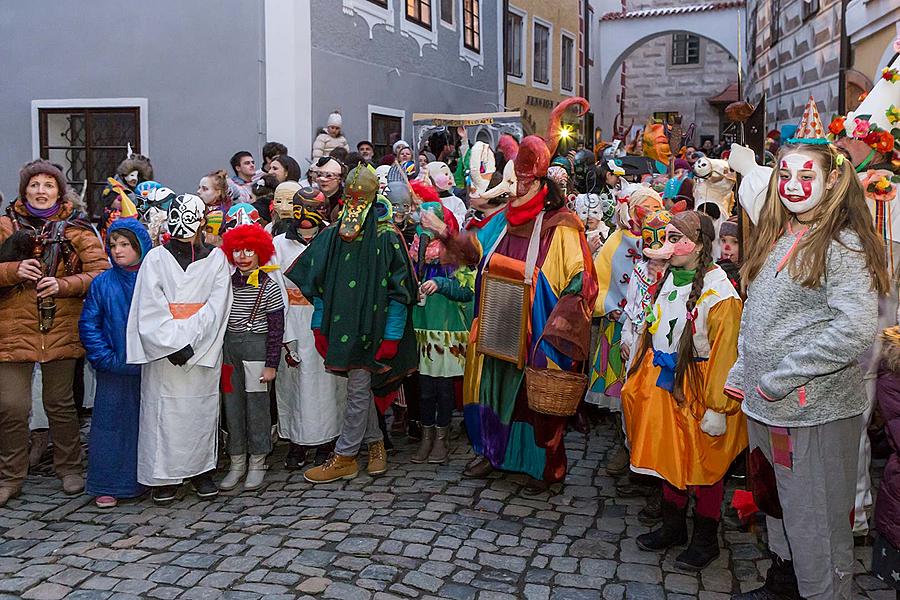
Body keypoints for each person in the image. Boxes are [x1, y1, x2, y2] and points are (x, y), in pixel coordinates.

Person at [727, 98, 889, 600]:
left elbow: (855, 328)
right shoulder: (784, 234)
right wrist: (743, 369)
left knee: (814, 519)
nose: (792, 184)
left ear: (833, 181)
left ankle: (820, 592)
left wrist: (783, 376)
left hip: (809, 411)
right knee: (777, 504)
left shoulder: (843, 244)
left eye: (806, 174)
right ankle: (785, 583)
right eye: (784, 173)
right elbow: (763, 314)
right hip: (768, 406)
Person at [440, 97, 598, 496]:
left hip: (535, 332)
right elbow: (475, 249)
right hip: (496, 326)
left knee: (533, 401)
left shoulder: (562, 225)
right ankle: (492, 452)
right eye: (512, 182)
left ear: (539, 185)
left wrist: (557, 323)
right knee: (491, 389)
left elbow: (582, 279)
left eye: (521, 184)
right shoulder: (502, 220)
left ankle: (544, 467)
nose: (512, 191)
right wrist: (445, 235)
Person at [621, 211, 745, 571]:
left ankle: (705, 539)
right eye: (666, 237)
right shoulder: (669, 278)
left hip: (701, 388)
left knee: (704, 464)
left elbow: (726, 350)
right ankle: (673, 526)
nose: (668, 246)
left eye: (677, 238)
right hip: (664, 384)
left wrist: (718, 407)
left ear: (701, 244)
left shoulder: (720, 293)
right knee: (668, 456)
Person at [287, 166, 418, 484]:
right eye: (351, 196)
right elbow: (318, 283)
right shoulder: (332, 235)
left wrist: (392, 335)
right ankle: (375, 446)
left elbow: (400, 292)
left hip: (375, 328)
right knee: (358, 389)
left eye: (362, 197)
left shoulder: (387, 237)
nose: (355, 202)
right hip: (341, 326)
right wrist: (318, 325)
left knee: (358, 388)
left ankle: (345, 457)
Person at [0, 160, 109, 506]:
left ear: (60, 192)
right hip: (12, 329)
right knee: (12, 406)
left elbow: (100, 273)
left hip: (59, 327)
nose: (41, 191)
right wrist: (13, 270)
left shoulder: (77, 229)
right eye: (35, 185)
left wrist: (63, 285)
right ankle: (10, 476)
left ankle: (70, 467)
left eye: (49, 185)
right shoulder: (4, 226)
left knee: (60, 404)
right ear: (24, 191)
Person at [126, 193, 232, 505]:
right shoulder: (156, 259)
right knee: (162, 413)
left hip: (200, 352)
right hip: (164, 355)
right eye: (176, 215)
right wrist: (171, 345)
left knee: (201, 411)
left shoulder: (216, 260)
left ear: (202, 221)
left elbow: (216, 307)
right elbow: (149, 305)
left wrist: (190, 344)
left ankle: (200, 470)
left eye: (190, 217)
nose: (182, 224)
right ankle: (163, 476)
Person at [80, 218, 152, 508]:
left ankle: (146, 478)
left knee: (145, 424)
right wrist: (104, 358)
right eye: (113, 245)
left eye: (125, 244)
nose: (118, 250)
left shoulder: (154, 279)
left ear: (140, 246)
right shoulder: (102, 283)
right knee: (110, 427)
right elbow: (89, 324)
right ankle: (108, 483)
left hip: (149, 366)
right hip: (113, 367)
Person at [275, 187, 347, 469]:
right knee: (295, 384)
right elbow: (276, 290)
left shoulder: (335, 239)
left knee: (329, 385)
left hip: (325, 319)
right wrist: (284, 335)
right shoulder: (278, 245)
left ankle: (329, 440)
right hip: (292, 318)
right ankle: (296, 442)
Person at [218, 225, 285, 492]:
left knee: (257, 407)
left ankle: (257, 461)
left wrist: (271, 364)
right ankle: (236, 461)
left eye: (249, 251)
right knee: (231, 405)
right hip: (229, 353)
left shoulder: (270, 287)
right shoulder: (224, 283)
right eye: (237, 250)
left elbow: (276, 329)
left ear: (260, 253)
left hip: (256, 351)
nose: (243, 256)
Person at [408, 194, 473, 465]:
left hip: (447, 331)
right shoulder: (414, 251)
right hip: (422, 329)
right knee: (424, 389)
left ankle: (442, 439)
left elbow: (467, 292)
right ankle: (426, 437)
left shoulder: (455, 254)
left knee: (444, 389)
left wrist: (441, 285)